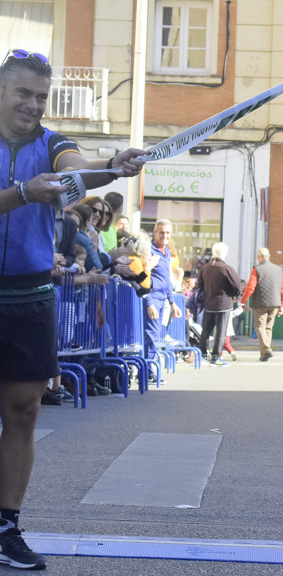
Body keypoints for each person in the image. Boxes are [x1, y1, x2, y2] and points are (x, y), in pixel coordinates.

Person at [0, 48, 145, 570]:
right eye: (23, 93)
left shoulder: (51, 142)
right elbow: (21, 194)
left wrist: (112, 167)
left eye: (41, 96)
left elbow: (77, 169)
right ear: (1, 92)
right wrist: (20, 194)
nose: (34, 105)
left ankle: (6, 526)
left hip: (31, 293)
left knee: (23, 410)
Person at [196, 242, 241, 366]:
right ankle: (216, 357)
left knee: (206, 330)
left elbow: (199, 285)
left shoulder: (205, 268)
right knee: (221, 332)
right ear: (225, 254)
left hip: (208, 303)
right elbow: (237, 287)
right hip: (224, 304)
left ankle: (202, 354)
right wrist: (233, 294)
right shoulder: (226, 269)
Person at [144, 219, 182, 360]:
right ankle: (149, 371)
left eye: (167, 233)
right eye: (161, 232)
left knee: (155, 335)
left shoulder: (167, 251)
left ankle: (149, 369)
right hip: (152, 298)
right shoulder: (148, 250)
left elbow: (166, 281)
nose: (164, 236)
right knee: (151, 335)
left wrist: (172, 303)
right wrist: (149, 303)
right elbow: (144, 279)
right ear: (155, 232)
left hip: (162, 299)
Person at [240, 247, 283, 361]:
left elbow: (251, 286)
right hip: (275, 303)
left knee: (260, 327)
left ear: (258, 257)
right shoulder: (278, 270)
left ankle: (266, 350)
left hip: (260, 303)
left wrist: (243, 301)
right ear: (269, 257)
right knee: (268, 328)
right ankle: (263, 355)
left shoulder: (257, 269)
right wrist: (281, 306)